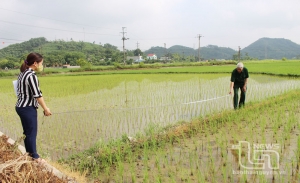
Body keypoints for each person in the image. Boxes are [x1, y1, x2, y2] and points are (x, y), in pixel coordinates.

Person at [15, 52, 52, 163]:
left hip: (20, 106)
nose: (42, 65)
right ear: (35, 63)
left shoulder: (22, 73)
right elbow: (37, 95)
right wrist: (46, 108)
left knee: (27, 132)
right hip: (27, 108)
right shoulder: (31, 76)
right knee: (31, 132)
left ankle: (30, 154)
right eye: (41, 63)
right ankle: (35, 158)